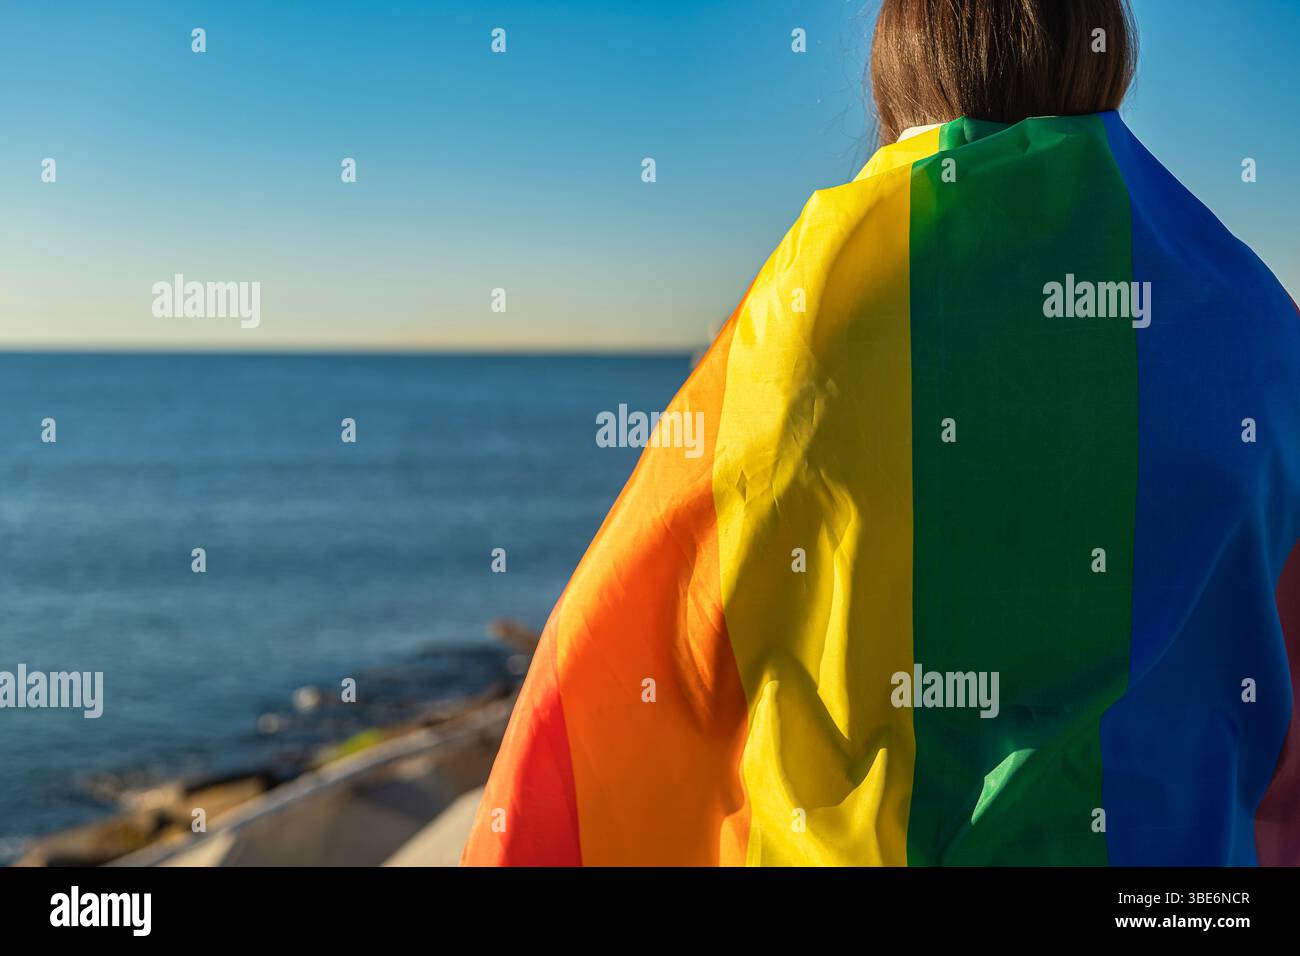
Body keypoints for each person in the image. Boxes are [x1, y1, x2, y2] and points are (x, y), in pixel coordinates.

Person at [464, 0, 1300, 866]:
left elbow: (624, 642)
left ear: (899, 67)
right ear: (1103, 54)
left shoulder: (805, 309)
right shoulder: (1255, 326)